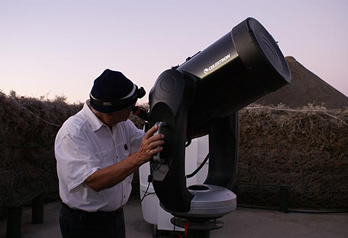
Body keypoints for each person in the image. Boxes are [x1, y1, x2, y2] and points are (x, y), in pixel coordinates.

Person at [55, 69, 164, 238]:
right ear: (111, 110)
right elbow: (94, 181)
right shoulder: (74, 133)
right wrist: (138, 158)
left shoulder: (122, 124)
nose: (134, 110)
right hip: (84, 225)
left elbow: (146, 142)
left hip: (114, 218)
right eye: (130, 107)